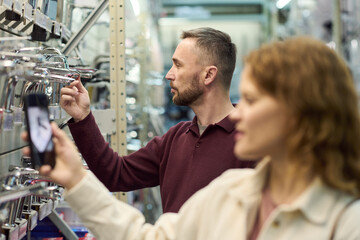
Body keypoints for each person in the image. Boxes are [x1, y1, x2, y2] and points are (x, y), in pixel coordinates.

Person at [23, 36, 360, 239]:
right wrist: (77, 168)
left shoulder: (346, 224)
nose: (240, 113)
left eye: (254, 101)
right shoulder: (228, 191)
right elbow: (122, 184)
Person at [59, 27, 255, 213]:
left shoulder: (251, 143)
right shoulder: (176, 138)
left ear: (209, 75)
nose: (169, 74)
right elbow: (116, 174)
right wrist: (83, 117)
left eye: (178, 65)